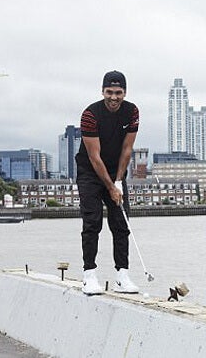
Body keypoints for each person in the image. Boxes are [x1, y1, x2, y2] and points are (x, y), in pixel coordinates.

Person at [75, 70, 140, 295]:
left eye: (118, 92)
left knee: (121, 224)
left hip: (116, 172)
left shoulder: (132, 112)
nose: (114, 97)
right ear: (102, 91)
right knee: (92, 222)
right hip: (89, 172)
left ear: (125, 92)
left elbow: (127, 149)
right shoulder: (90, 114)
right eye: (109, 92)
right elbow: (94, 156)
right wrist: (110, 187)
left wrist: (119, 181)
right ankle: (89, 275)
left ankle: (122, 276)